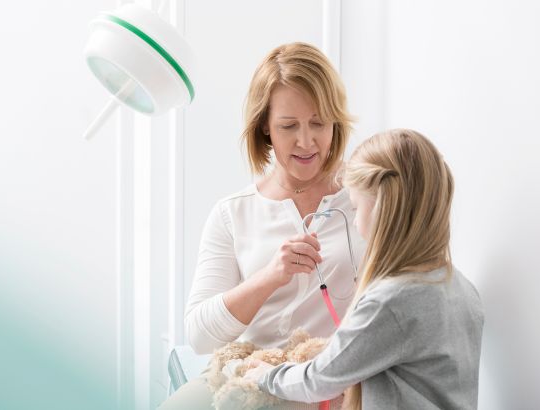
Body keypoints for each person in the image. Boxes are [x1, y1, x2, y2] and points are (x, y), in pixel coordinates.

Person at [159, 42, 365, 410]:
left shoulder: (364, 200)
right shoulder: (233, 213)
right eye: (288, 126)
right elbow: (200, 336)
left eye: (318, 123)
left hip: (325, 379)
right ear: (265, 128)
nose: (306, 141)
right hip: (247, 377)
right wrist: (270, 276)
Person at [245, 129, 485, 410]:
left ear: (383, 208)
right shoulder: (461, 288)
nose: (356, 222)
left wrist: (266, 376)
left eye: (356, 208)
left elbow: (319, 380)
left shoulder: (392, 301)